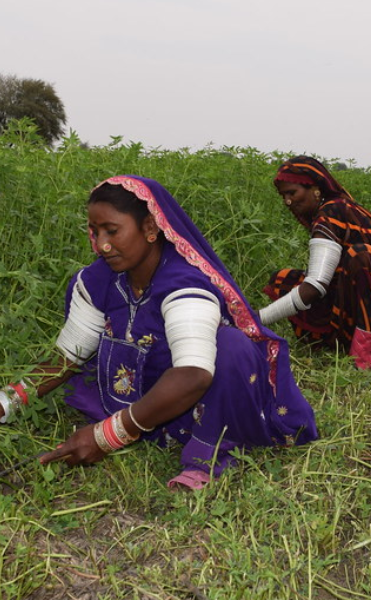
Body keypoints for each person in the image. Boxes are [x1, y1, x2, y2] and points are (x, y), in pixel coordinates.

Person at [0, 175, 318, 489]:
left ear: (150, 228)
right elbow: (68, 356)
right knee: (79, 382)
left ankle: (208, 456)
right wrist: (7, 401)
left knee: (231, 345)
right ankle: (139, 421)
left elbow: (194, 375)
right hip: (146, 398)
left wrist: (106, 436)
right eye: (95, 232)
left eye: (112, 231)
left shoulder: (185, 283)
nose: (102, 245)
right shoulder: (98, 279)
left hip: (198, 401)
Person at [259, 156, 371, 369]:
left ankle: (370, 348)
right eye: (283, 195)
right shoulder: (335, 209)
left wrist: (257, 318)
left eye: (293, 193)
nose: (288, 201)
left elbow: (316, 285)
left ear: (315, 188)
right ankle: (337, 341)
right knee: (283, 280)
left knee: (360, 257)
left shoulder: (331, 214)